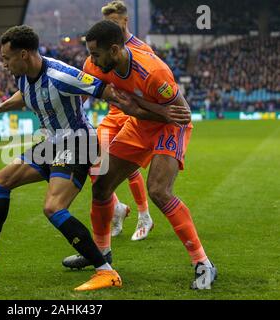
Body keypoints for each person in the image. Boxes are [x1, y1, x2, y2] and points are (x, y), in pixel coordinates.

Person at [0, 25, 189, 291]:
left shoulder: (62, 75)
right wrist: (0, 107)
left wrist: (154, 114)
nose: (4, 64)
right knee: (0, 180)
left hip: (77, 144)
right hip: (51, 143)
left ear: (24, 54)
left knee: (53, 207)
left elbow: (107, 91)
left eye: (7, 58)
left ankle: (106, 271)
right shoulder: (23, 75)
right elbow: (25, 95)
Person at [64, 20, 217, 290]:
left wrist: (137, 109)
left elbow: (180, 114)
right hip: (138, 126)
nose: (91, 61)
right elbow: (82, 96)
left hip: (170, 128)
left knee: (159, 190)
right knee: (101, 187)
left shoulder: (154, 72)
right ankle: (102, 257)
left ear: (114, 50)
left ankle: (203, 263)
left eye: (96, 54)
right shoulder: (96, 65)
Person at [101, 0, 155, 240]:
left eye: (112, 23)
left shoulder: (142, 49)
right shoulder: (103, 48)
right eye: (106, 24)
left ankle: (144, 215)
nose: (109, 29)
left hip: (133, 113)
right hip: (113, 112)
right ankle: (117, 209)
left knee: (127, 165)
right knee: (95, 160)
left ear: (125, 21)